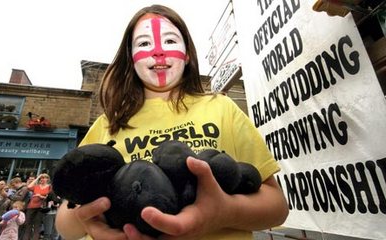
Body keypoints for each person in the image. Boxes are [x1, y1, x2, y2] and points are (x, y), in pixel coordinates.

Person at [55, 4, 289, 240]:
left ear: (187, 54)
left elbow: (277, 207)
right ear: (131, 57)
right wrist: (88, 219)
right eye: (144, 43)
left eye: (169, 41)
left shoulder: (222, 108)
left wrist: (225, 212)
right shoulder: (107, 125)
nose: (158, 52)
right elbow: (65, 224)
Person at [23, 173, 51, 240]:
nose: (42, 179)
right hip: (31, 207)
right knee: (27, 224)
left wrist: (40, 196)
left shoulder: (49, 187)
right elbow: (29, 187)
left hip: (40, 208)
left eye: (44, 178)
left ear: (47, 179)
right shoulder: (36, 186)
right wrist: (37, 178)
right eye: (41, 178)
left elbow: (50, 198)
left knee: (37, 225)